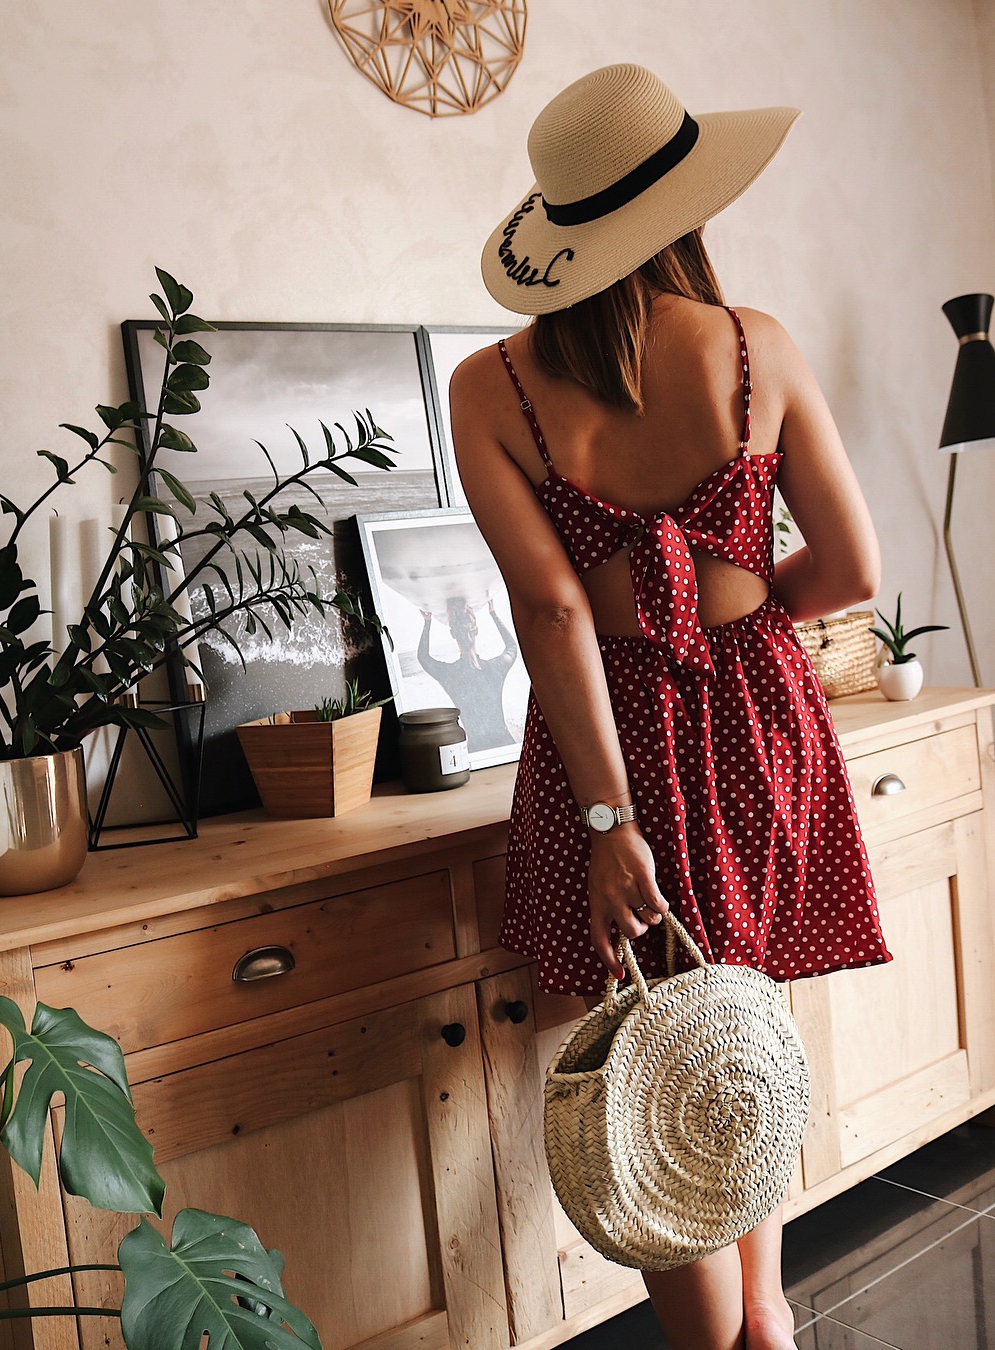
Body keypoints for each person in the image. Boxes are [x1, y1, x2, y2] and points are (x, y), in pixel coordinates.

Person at [449, 64, 891, 1350]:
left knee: (651, 1049)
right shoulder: (756, 347)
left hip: (606, 740)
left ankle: (723, 1337)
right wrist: (738, 626)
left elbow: (554, 615)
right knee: (736, 1026)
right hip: (756, 713)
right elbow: (854, 570)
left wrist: (608, 821)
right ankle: (767, 1318)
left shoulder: (489, 388)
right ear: (684, 208)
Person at [417, 596, 519, 753]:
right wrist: (493, 614)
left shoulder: (449, 675)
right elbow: (512, 647)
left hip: (476, 751)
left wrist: (427, 622)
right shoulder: (496, 668)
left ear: (452, 634)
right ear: (476, 630)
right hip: (505, 746)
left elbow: (423, 658)